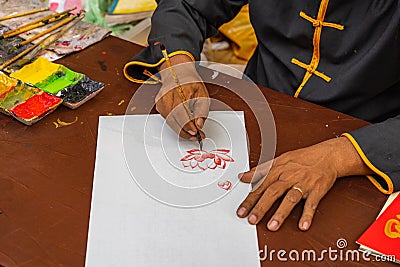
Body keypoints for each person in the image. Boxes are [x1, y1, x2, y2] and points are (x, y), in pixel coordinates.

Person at [123, 0, 400, 231]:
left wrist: (339, 156)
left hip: (366, 143)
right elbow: (188, 4)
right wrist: (178, 67)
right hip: (258, 110)